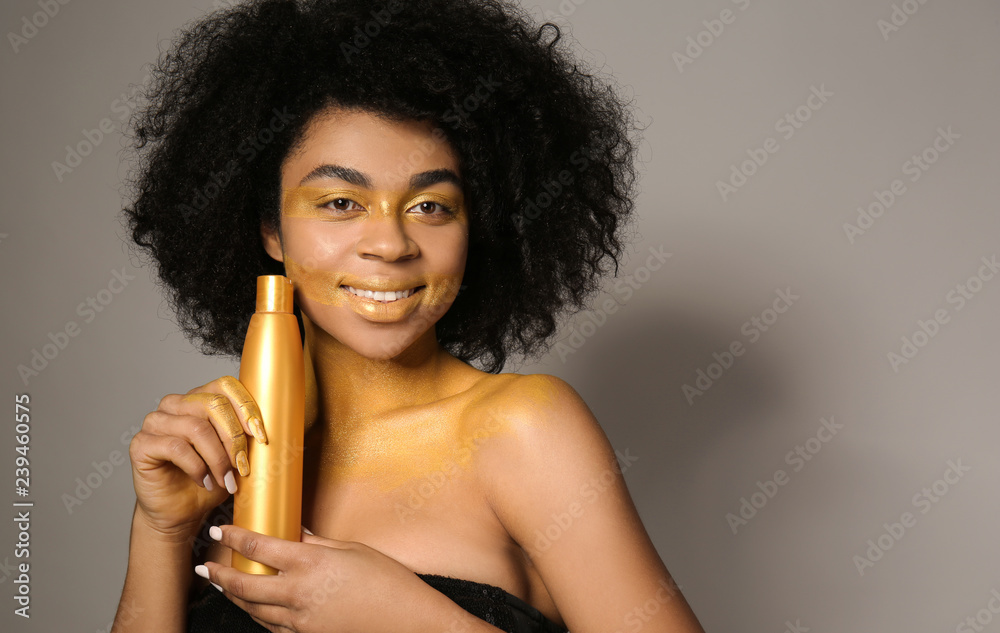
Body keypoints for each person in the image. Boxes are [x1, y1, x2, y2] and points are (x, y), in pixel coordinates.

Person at [113, 0, 706, 631]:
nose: (391, 244)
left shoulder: (523, 431)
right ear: (271, 232)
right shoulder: (222, 457)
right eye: (341, 202)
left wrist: (410, 616)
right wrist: (161, 530)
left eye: (430, 207)